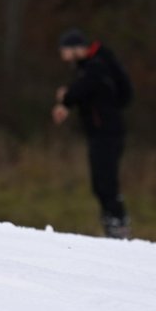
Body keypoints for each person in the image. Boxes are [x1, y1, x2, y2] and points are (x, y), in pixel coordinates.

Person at [52, 28, 133, 238]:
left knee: (106, 180)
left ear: (75, 48)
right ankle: (113, 223)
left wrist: (67, 98)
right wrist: (68, 103)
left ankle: (118, 225)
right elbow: (85, 91)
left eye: (64, 51)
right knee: (101, 182)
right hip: (101, 132)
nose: (63, 57)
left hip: (107, 132)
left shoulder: (96, 65)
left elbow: (85, 86)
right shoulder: (92, 65)